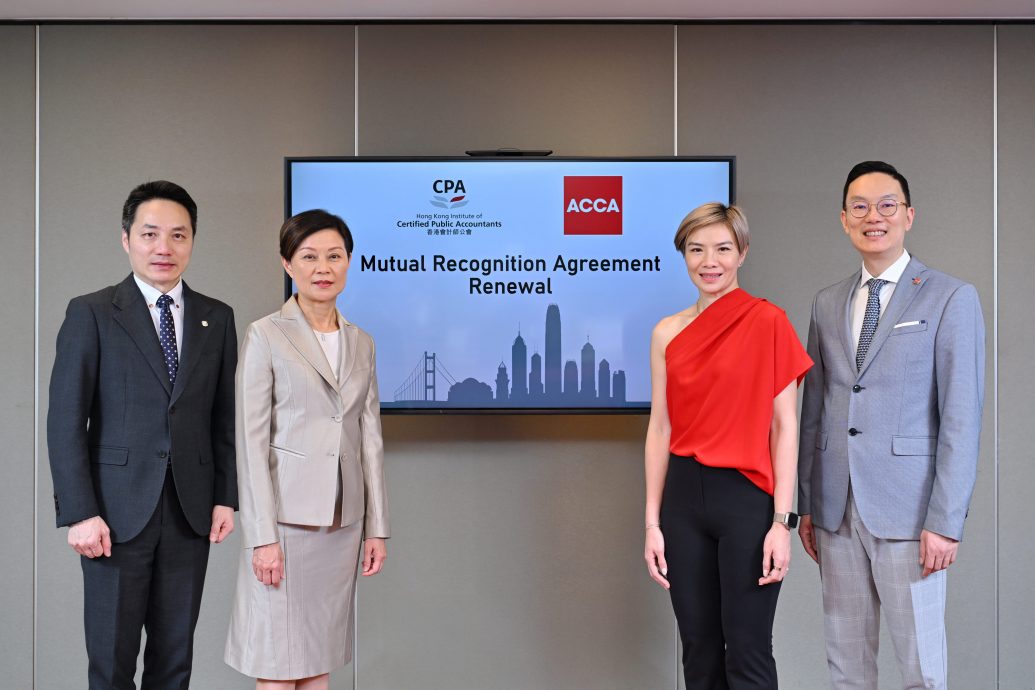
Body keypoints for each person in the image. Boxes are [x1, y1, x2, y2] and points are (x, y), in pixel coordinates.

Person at [797, 161, 985, 690]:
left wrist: (946, 519)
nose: (872, 216)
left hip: (910, 511)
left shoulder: (949, 296)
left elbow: (961, 417)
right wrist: (808, 503)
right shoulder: (827, 302)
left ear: (908, 215)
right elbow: (817, 410)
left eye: (886, 205)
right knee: (846, 665)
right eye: (859, 206)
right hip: (836, 511)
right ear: (843, 218)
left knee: (921, 668)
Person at [47, 180, 238, 689]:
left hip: (189, 511)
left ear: (193, 241)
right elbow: (66, 419)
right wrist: (80, 511)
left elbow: (223, 418)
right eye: (151, 233)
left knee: (174, 664)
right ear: (126, 238)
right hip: (113, 515)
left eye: (178, 236)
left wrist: (225, 497)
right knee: (111, 664)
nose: (164, 248)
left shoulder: (215, 318)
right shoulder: (91, 312)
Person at [643, 202, 812, 689]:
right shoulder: (666, 332)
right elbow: (660, 429)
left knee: (748, 651)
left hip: (747, 500)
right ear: (684, 255)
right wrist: (652, 523)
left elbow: (785, 428)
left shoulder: (768, 321)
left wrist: (783, 522)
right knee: (698, 652)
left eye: (722, 248)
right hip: (682, 502)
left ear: (742, 253)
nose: (709, 261)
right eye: (696, 249)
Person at [225, 209, 390, 690]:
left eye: (334, 256)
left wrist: (377, 527)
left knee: (319, 661)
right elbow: (250, 442)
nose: (323, 267)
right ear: (287, 264)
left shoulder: (362, 343)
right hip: (284, 523)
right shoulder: (266, 334)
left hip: (342, 524)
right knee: (278, 665)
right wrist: (261, 537)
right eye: (309, 256)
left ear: (349, 262)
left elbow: (370, 441)